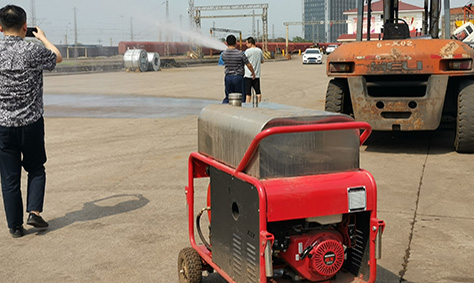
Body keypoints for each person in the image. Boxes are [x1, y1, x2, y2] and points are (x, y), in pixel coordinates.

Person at [0, 5, 62, 238]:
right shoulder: (32, 49)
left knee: (9, 177)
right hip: (32, 123)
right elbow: (57, 57)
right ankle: (34, 212)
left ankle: (15, 227)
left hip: (3, 125)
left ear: (0, 27)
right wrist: (44, 39)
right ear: (26, 26)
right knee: (36, 168)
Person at [221, 34, 255, 103]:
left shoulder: (224, 54)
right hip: (238, 77)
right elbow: (248, 64)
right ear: (236, 42)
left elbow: (224, 61)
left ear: (226, 43)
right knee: (240, 96)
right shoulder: (240, 53)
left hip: (228, 77)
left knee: (228, 96)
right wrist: (253, 72)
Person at [244, 37, 264, 103]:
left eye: (247, 43)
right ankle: (259, 103)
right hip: (257, 74)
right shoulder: (259, 51)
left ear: (250, 43)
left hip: (248, 74)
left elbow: (244, 61)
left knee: (248, 93)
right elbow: (262, 61)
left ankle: (248, 105)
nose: (246, 45)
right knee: (258, 91)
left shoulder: (247, 51)